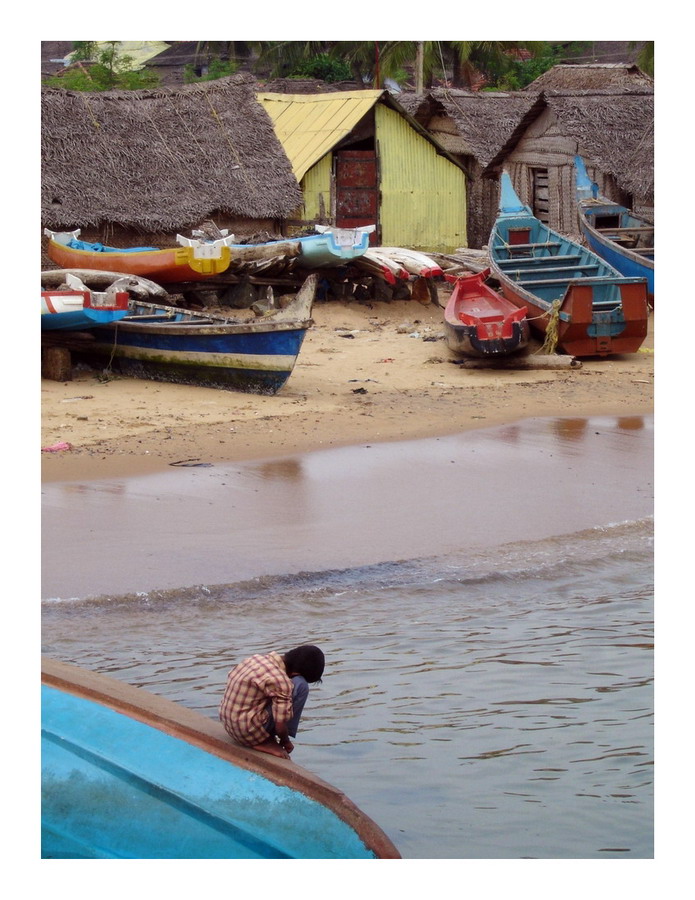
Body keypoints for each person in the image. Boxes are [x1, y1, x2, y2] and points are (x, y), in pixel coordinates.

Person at [219, 645, 325, 759]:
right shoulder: (281, 681)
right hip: (246, 733)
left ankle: (263, 735)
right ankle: (264, 741)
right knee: (301, 686)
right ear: (295, 674)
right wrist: (285, 741)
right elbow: (280, 725)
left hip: (229, 724)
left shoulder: (257, 659)